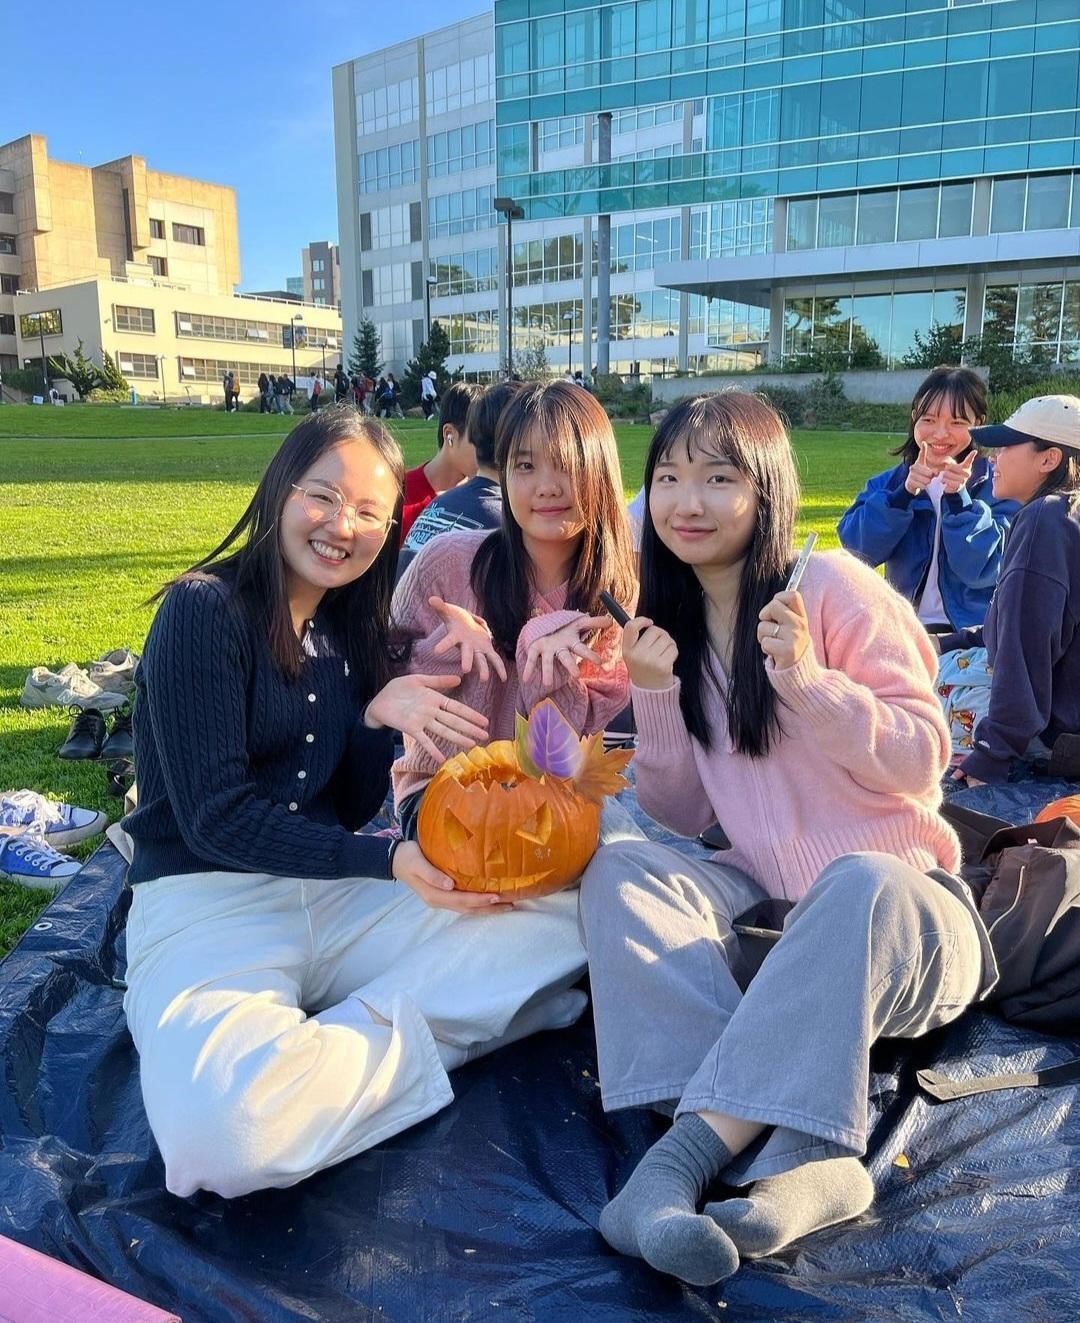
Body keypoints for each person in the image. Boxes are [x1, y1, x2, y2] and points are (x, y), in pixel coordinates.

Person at [121, 409, 595, 1201]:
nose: (344, 526)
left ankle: (328, 1049)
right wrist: (390, 858)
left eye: (372, 512)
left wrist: (381, 716)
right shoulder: (203, 611)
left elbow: (343, 807)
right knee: (225, 1138)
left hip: (333, 898)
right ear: (280, 489)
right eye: (324, 497)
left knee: (559, 915)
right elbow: (215, 817)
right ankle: (457, 1023)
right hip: (206, 900)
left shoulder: (349, 630)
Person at [578, 392, 994, 1286]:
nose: (688, 501)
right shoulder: (675, 621)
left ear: (765, 490)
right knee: (623, 869)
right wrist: (652, 694)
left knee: (858, 878)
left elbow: (925, 758)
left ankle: (670, 1170)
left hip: (906, 917)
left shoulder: (834, 587)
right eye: (671, 477)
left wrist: (805, 678)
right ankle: (809, 1162)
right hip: (772, 922)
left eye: (718, 477)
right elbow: (685, 814)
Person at [392, 379, 638, 842]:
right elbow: (391, 680)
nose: (546, 487)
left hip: (555, 790)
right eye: (524, 465)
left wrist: (538, 651)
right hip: (444, 791)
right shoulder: (448, 563)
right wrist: (446, 651)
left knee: (627, 862)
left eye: (567, 465)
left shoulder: (610, 595)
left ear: (600, 473)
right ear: (503, 474)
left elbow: (561, 755)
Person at [938, 395, 1080, 786]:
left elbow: (1027, 646)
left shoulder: (1046, 519)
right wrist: (948, 641)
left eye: (1007, 445)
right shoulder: (1065, 515)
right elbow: (1028, 623)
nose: (994, 456)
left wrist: (993, 754)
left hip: (1050, 742)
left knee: (896, 696)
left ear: (1049, 459)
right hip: (1059, 729)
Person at [838, 366, 1017, 631]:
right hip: (902, 629)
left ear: (978, 424)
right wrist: (902, 496)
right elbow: (856, 552)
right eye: (929, 419)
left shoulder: (1000, 487)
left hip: (971, 636)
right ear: (914, 420)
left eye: (957, 422)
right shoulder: (889, 484)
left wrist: (960, 501)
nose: (941, 433)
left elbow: (984, 571)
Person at [397, 381, 517, 579]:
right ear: (449, 434)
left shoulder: (478, 497)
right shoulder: (399, 495)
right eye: (479, 435)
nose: (487, 446)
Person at [399, 382, 482, 543]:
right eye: (481, 440)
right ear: (449, 434)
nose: (490, 451)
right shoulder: (399, 495)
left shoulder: (485, 498)